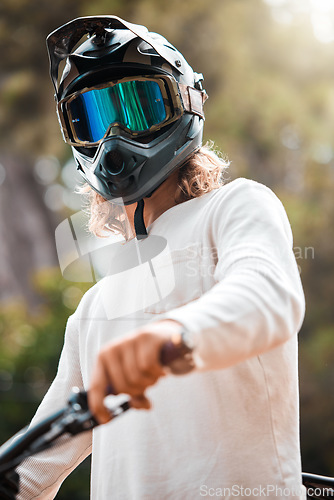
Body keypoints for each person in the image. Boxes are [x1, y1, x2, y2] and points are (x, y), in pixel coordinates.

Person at [15, 15, 306, 499]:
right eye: (91, 116)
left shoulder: (236, 206)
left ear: (182, 103)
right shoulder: (95, 308)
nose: (113, 135)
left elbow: (268, 296)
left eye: (136, 106)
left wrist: (174, 336)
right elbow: (33, 470)